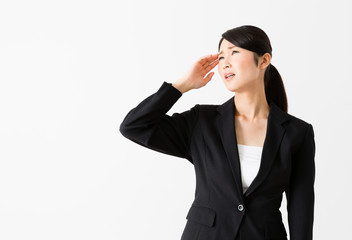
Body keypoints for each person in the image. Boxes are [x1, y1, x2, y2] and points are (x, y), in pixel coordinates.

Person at [119, 25, 315, 240]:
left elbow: (301, 207)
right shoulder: (202, 122)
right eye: (221, 57)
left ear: (264, 60)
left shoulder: (297, 132)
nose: (225, 63)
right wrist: (181, 85)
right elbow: (134, 126)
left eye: (235, 52)